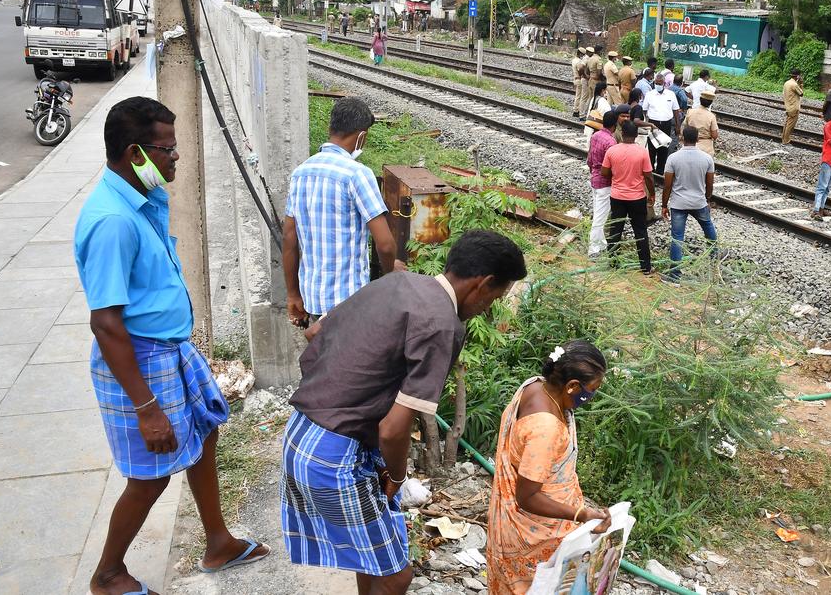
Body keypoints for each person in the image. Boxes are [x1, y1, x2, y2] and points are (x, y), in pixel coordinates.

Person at [75, 97, 270, 595]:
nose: (177, 156)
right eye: (168, 148)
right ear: (135, 153)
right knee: (151, 475)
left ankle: (218, 541)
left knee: (205, 432)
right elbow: (107, 324)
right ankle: (108, 574)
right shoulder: (112, 221)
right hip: (139, 359)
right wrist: (146, 408)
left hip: (170, 349)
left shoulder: (144, 197)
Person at [283, 231, 526, 594]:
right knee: (396, 576)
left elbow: (315, 333)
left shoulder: (396, 281)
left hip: (301, 434)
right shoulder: (444, 324)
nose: (490, 307)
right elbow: (394, 430)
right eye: (496, 296)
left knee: (372, 560)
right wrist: (396, 475)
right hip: (334, 457)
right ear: (484, 283)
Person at [486, 340, 611, 594]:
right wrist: (581, 515)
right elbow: (527, 496)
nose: (591, 397)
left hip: (521, 526)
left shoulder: (535, 386)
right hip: (533, 535)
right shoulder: (546, 428)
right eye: (591, 390)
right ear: (572, 386)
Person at [283, 97, 399, 327]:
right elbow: (385, 244)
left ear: (330, 128)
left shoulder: (300, 173)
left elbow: (289, 239)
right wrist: (391, 274)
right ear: (361, 136)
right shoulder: (357, 174)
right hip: (350, 305)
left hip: (313, 300)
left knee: (322, 359)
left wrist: (293, 295)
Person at [662, 125, 718, 283]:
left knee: (677, 238)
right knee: (709, 231)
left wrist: (664, 205)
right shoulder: (707, 159)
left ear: (682, 138)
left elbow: (667, 185)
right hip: (699, 202)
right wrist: (707, 199)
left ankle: (674, 276)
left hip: (679, 204)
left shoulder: (673, 158)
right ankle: (715, 263)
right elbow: (710, 184)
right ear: (698, 139)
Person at [602, 120, 656, 275]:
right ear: (636, 135)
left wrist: (617, 175)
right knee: (640, 231)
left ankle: (612, 263)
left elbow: (604, 172)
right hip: (637, 197)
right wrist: (651, 194)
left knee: (615, 230)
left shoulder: (612, 151)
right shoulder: (642, 152)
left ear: (622, 133)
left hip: (617, 196)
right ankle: (646, 267)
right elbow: (649, 177)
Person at [587, 111, 619, 257]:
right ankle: (593, 249)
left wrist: (592, 171)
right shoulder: (611, 142)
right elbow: (612, 166)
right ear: (614, 125)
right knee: (600, 217)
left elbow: (590, 158)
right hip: (605, 183)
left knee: (597, 213)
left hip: (594, 178)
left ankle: (601, 243)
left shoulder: (595, 136)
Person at [641, 73, 681, 174]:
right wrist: (646, 122)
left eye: (660, 83)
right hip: (653, 124)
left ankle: (660, 171)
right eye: (656, 83)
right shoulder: (650, 95)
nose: (658, 85)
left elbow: (676, 110)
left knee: (663, 149)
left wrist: (677, 125)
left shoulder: (670, 94)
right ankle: (650, 170)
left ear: (664, 83)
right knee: (652, 148)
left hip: (666, 124)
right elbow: (644, 110)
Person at [684, 89, 720, 156]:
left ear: (700, 99)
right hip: (706, 148)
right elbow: (715, 136)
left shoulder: (690, 112)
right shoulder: (711, 116)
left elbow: (684, 128)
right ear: (711, 103)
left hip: (689, 144)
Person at [782, 68, 804, 144]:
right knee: (790, 126)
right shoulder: (794, 84)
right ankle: (786, 141)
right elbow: (801, 93)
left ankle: (784, 139)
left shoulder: (787, 83)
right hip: (794, 107)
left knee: (787, 124)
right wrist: (801, 84)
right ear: (798, 76)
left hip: (788, 106)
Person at [571, 48, 586, 119]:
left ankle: (575, 109)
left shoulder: (574, 60)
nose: (583, 56)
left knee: (577, 95)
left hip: (575, 78)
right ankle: (576, 110)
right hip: (579, 79)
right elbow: (580, 70)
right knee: (580, 96)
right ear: (580, 54)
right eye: (582, 54)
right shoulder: (579, 62)